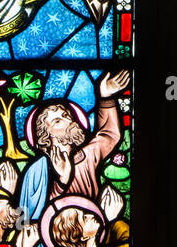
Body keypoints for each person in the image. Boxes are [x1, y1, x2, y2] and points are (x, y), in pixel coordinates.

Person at [17, 70, 129, 226]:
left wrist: (106, 98)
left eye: (66, 115)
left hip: (91, 229)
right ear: (45, 135)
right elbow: (26, 219)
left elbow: (110, 135)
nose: (67, 120)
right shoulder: (38, 170)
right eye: (57, 121)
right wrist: (61, 182)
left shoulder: (87, 155)